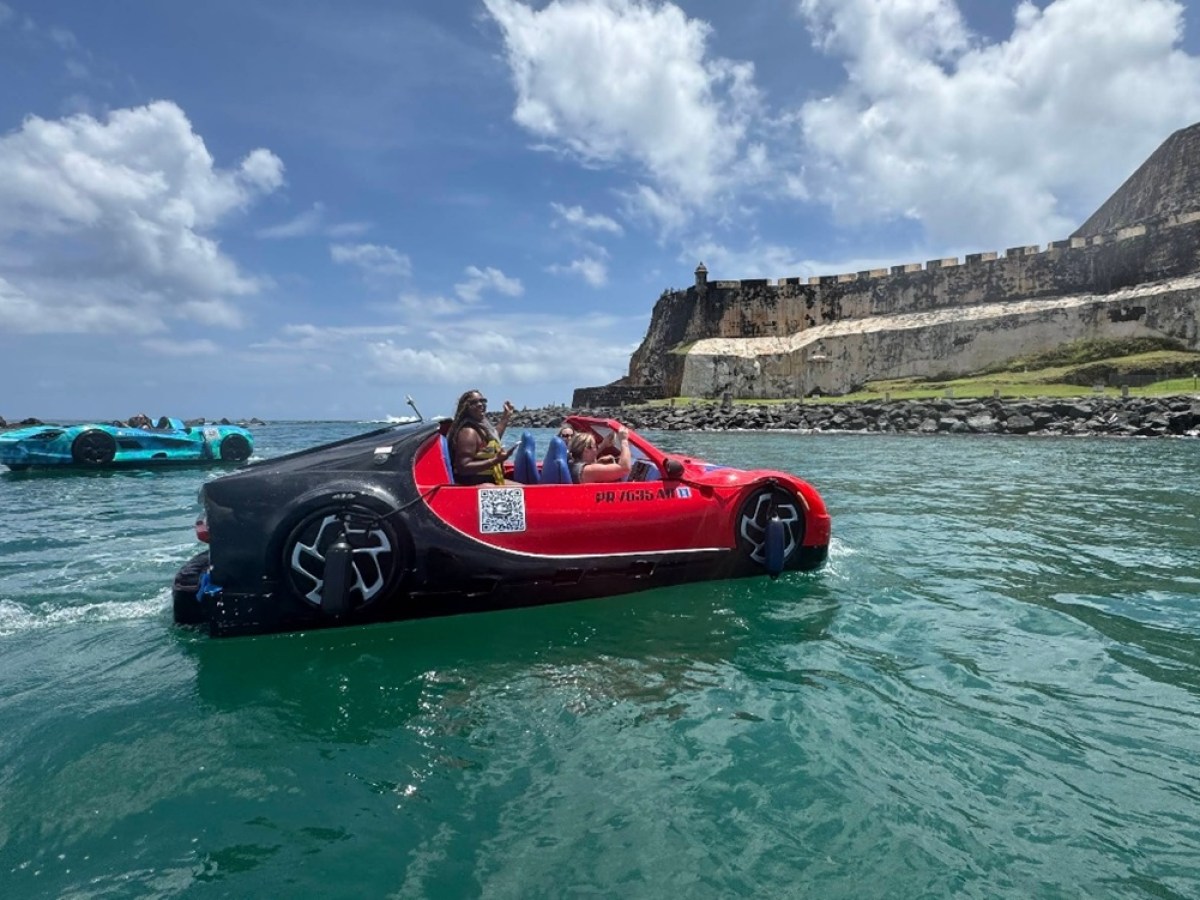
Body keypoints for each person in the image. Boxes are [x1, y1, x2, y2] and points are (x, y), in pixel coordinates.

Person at [448, 389, 516, 485]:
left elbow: (494, 437)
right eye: (474, 402)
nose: (480, 404)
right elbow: (463, 467)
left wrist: (506, 416)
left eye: (483, 401)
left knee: (525, 490)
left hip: (490, 482)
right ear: (465, 408)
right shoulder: (468, 432)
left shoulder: (481, 427)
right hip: (474, 486)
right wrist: (495, 460)